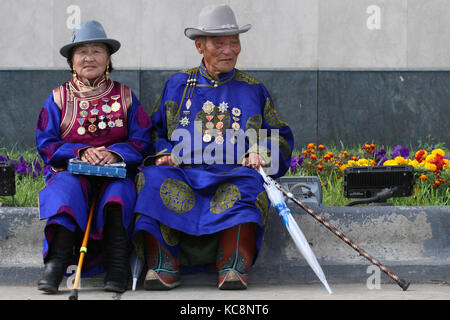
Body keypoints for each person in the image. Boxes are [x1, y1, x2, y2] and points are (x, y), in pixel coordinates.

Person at [133, 4, 294, 290]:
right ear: (199, 46)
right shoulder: (177, 85)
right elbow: (153, 131)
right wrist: (163, 153)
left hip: (233, 173)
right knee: (151, 178)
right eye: (219, 43)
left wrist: (261, 153)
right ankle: (163, 264)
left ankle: (233, 264)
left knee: (250, 183)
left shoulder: (253, 88)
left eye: (234, 42)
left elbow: (278, 135)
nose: (229, 50)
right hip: (183, 174)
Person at [36, 20, 152, 294]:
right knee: (65, 191)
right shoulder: (58, 98)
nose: (89, 57)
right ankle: (55, 264)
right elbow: (47, 143)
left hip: (116, 171)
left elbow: (142, 139)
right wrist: (80, 152)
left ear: (108, 58)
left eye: (97, 51)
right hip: (72, 170)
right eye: (82, 51)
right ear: (72, 61)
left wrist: (113, 153)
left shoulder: (125, 97)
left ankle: (118, 267)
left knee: (119, 195)